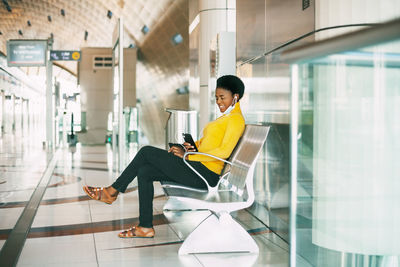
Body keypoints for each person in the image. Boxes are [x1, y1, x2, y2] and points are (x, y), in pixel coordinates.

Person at [83, 75, 245, 238]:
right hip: (198, 168)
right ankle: (145, 227)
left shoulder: (236, 120)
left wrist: (188, 157)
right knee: (145, 171)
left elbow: (224, 152)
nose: (218, 102)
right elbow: (208, 144)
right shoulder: (226, 117)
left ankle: (112, 191)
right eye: (216, 97)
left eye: (222, 97)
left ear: (235, 97)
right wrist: (190, 147)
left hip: (205, 175)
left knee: (146, 151)